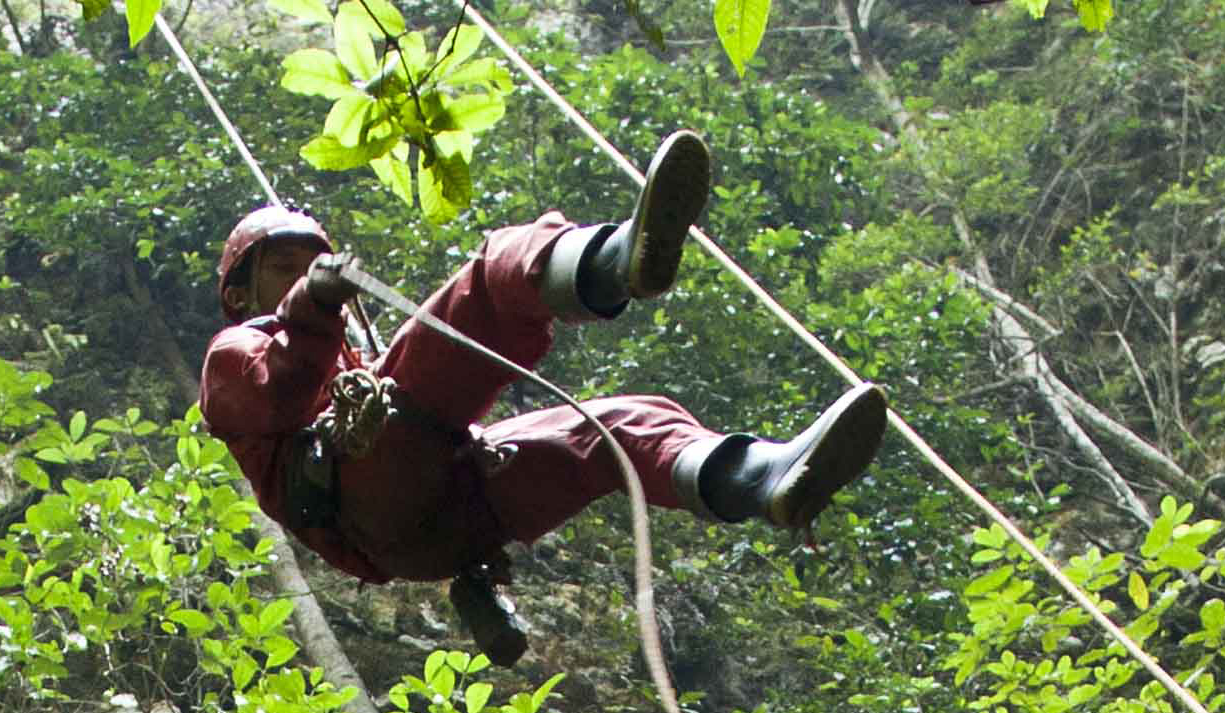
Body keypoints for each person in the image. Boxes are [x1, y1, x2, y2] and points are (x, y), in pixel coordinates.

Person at [195, 129, 889, 663]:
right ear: (237, 293)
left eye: (308, 267)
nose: (301, 277)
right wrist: (314, 300)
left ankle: (758, 479)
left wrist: (319, 316)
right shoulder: (236, 353)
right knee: (485, 286)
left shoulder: (339, 359)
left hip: (448, 522)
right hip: (368, 496)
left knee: (610, 430)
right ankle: (614, 262)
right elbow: (274, 397)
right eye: (283, 268)